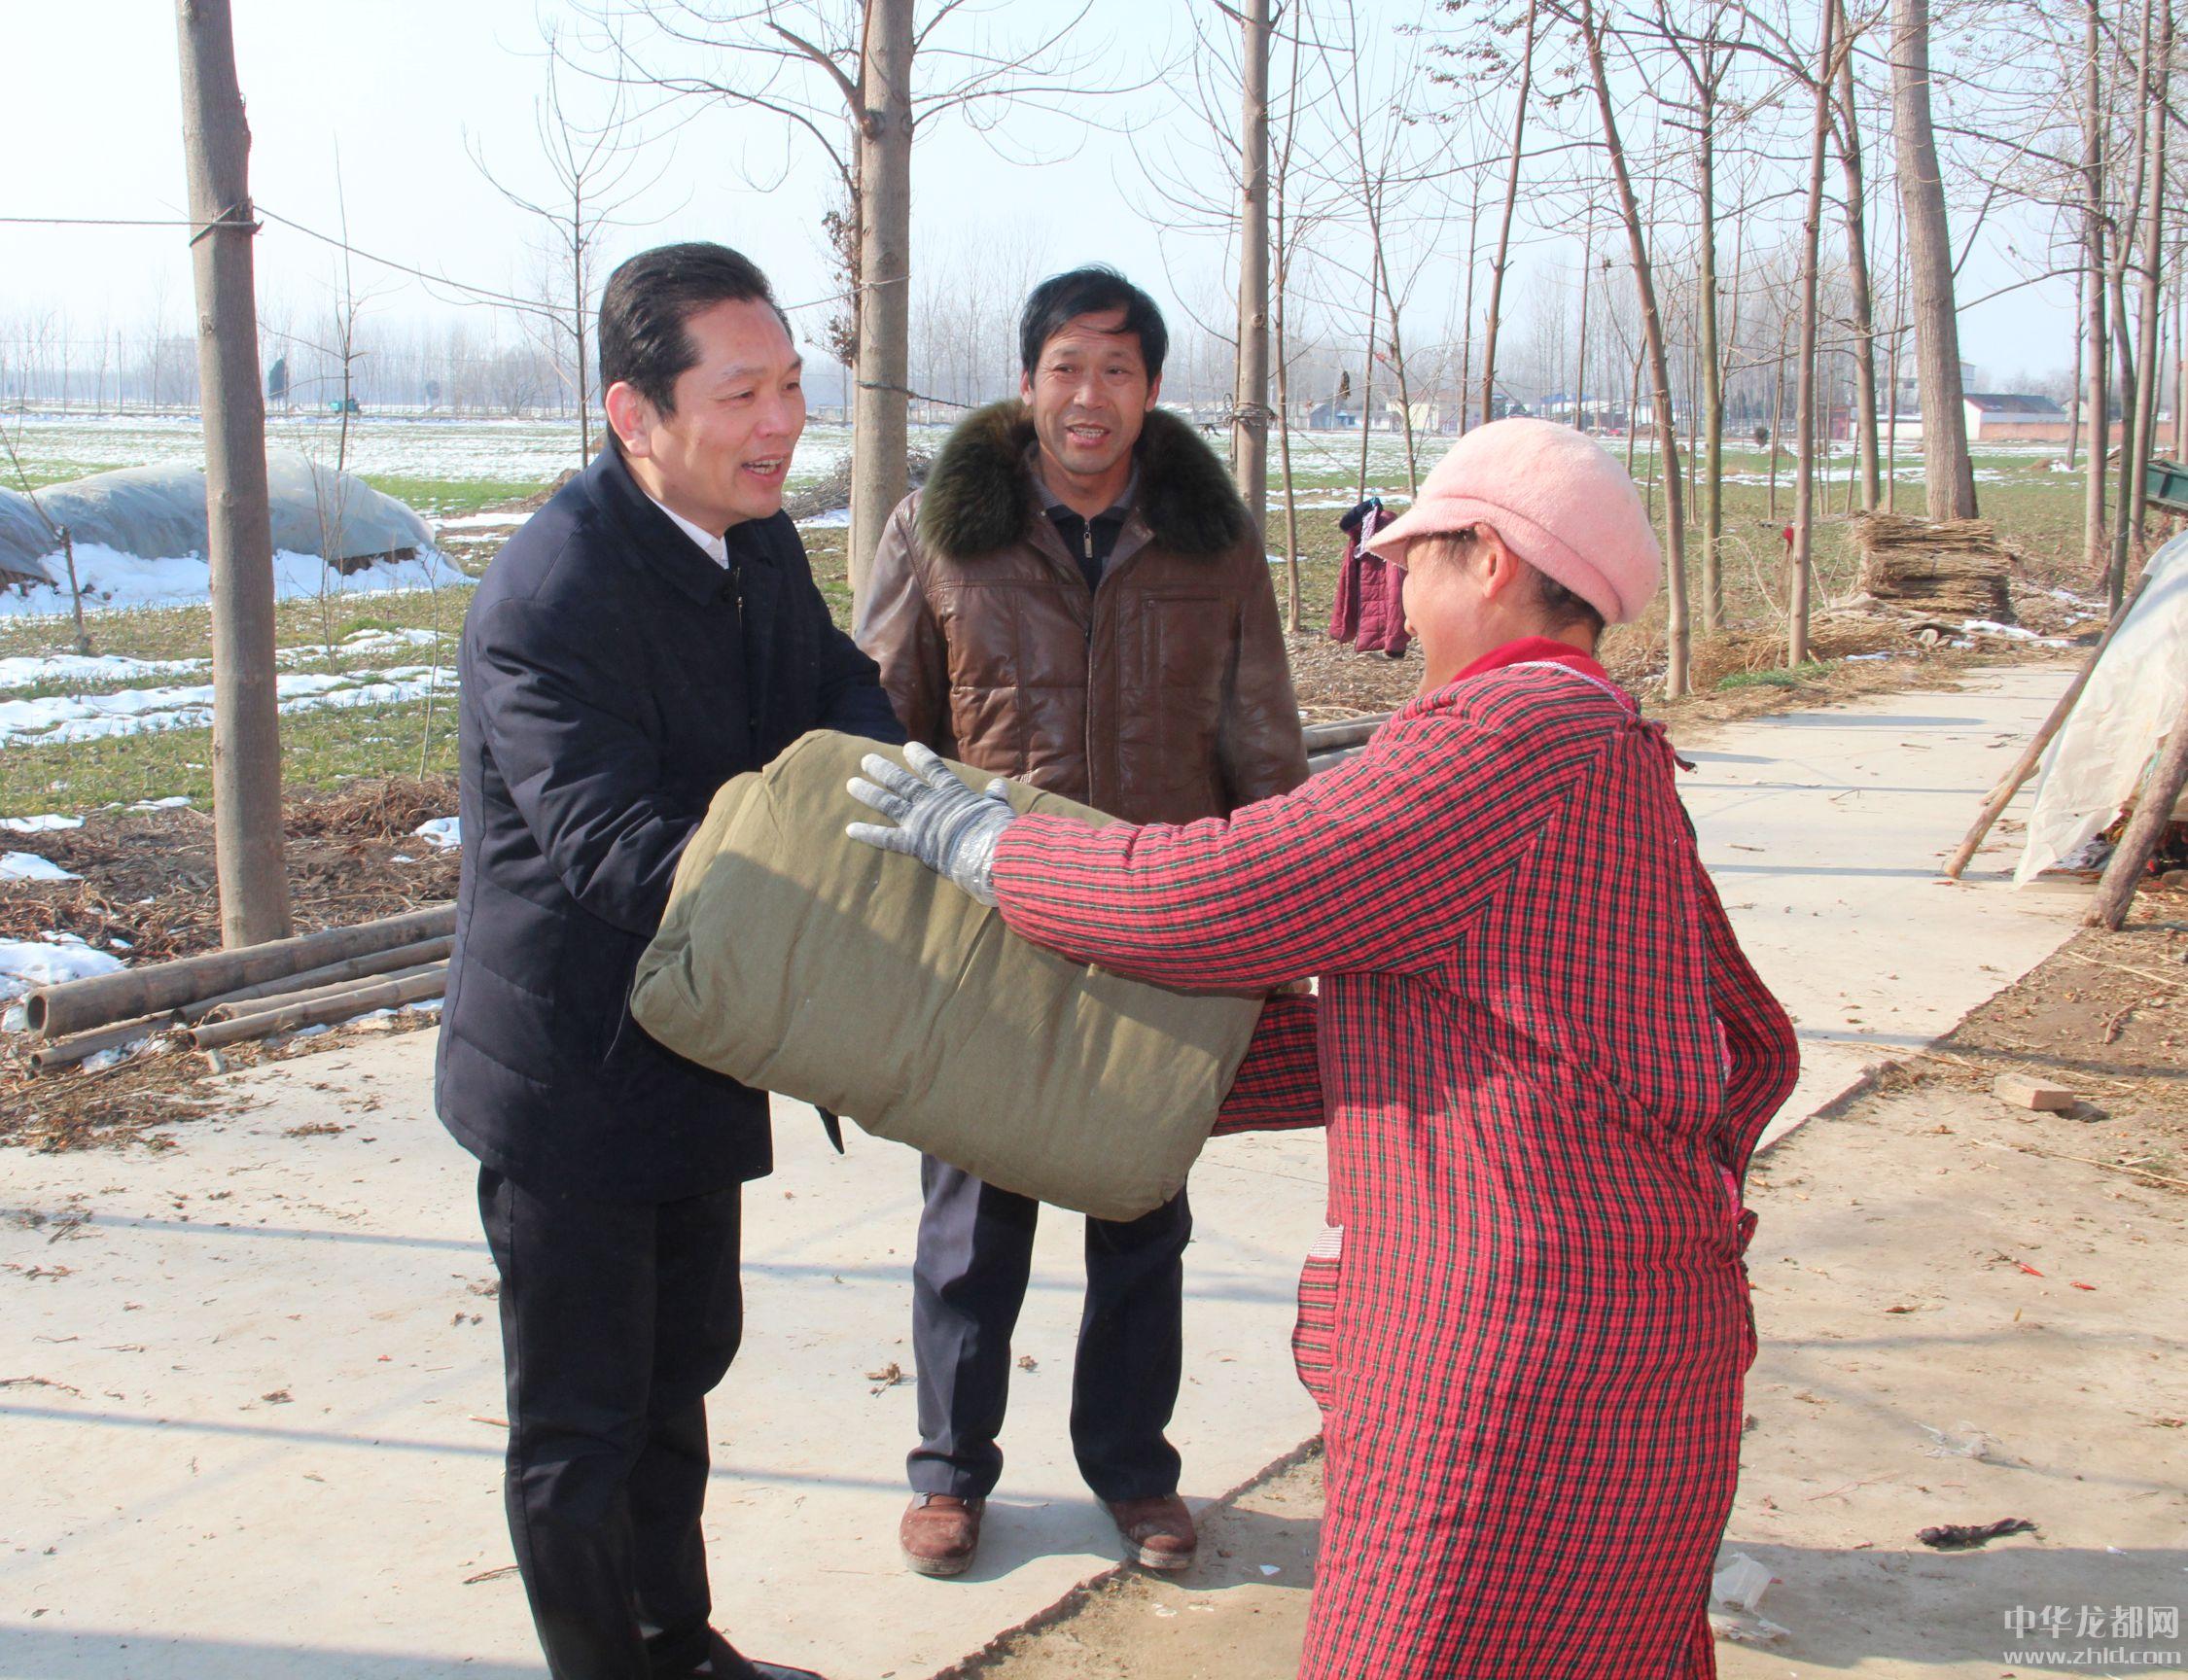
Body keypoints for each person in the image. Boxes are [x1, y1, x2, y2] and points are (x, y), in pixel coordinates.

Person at [843, 417, 1800, 1677]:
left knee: (1420, 1643)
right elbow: (1488, 1029)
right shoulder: (1606, 741)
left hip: (1516, 1338)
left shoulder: (1501, 734)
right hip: (1623, 1317)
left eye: (1415, 560)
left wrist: (992, 847)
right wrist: (1078, 1076)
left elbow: (1216, 895)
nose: (1394, 594)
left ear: (1492, 562)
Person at [437, 241, 900, 1680]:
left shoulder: (751, 540)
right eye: (741, 394)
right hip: (572, 1068)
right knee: (581, 1423)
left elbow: (837, 692)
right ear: (634, 414)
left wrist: (910, 803)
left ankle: (677, 1645)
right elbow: (616, 849)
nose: (781, 426)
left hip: (698, 1037)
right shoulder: (553, 592)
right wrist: (826, 910)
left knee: (679, 1373)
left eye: (792, 387)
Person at [854, 265, 1308, 1578]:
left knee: (1142, 1217)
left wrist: (1279, 940)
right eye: (1066, 367)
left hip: (1164, 925)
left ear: (1151, 389)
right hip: (988, 927)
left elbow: (1261, 735)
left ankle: (1133, 1470)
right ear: (1027, 382)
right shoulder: (941, 533)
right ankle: (950, 1474)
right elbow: (878, 730)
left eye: (1116, 369)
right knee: (970, 1226)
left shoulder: (1210, 542)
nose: (1088, 395)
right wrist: (882, 927)